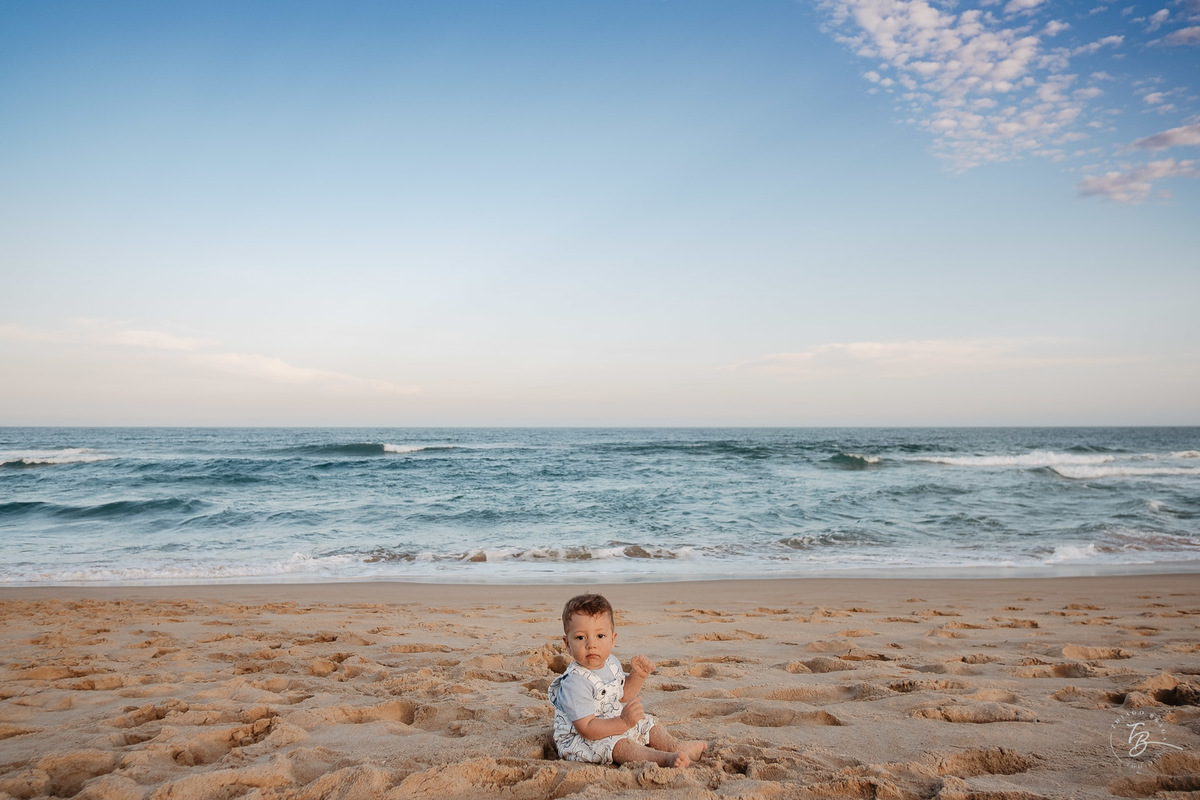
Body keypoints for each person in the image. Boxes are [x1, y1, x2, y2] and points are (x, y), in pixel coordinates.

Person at [548, 592, 707, 768]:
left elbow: (623, 696)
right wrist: (623, 723)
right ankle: (663, 759)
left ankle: (674, 746)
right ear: (567, 643)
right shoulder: (575, 683)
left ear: (612, 639)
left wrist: (637, 676)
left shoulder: (611, 663)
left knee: (646, 721)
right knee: (620, 746)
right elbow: (587, 728)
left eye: (600, 636)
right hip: (582, 739)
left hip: (612, 719)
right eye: (580, 637)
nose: (591, 644)